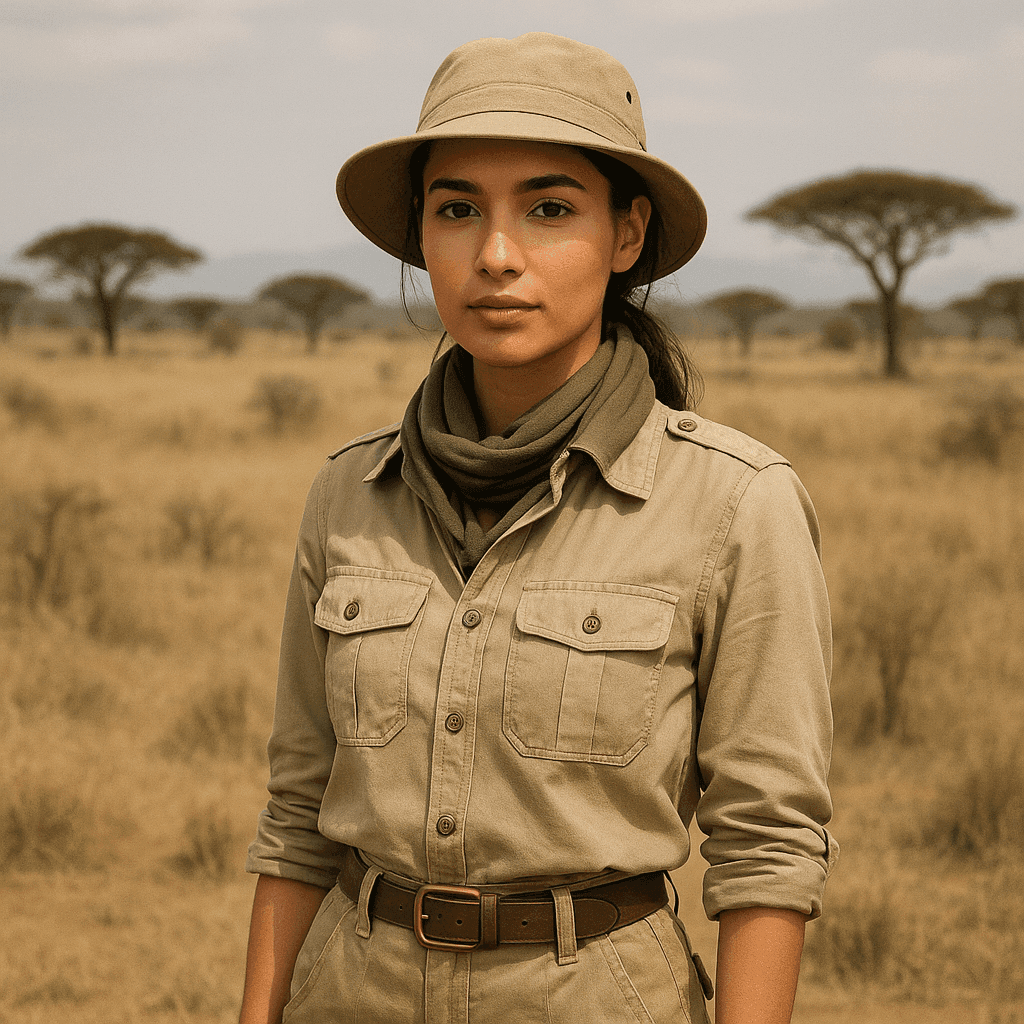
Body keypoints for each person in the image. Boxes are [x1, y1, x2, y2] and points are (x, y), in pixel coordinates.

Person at [239, 32, 837, 1024]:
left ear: (626, 235)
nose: (496, 255)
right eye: (457, 209)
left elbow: (767, 842)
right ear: (420, 238)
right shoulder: (349, 491)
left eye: (549, 209)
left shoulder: (735, 501)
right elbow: (300, 813)